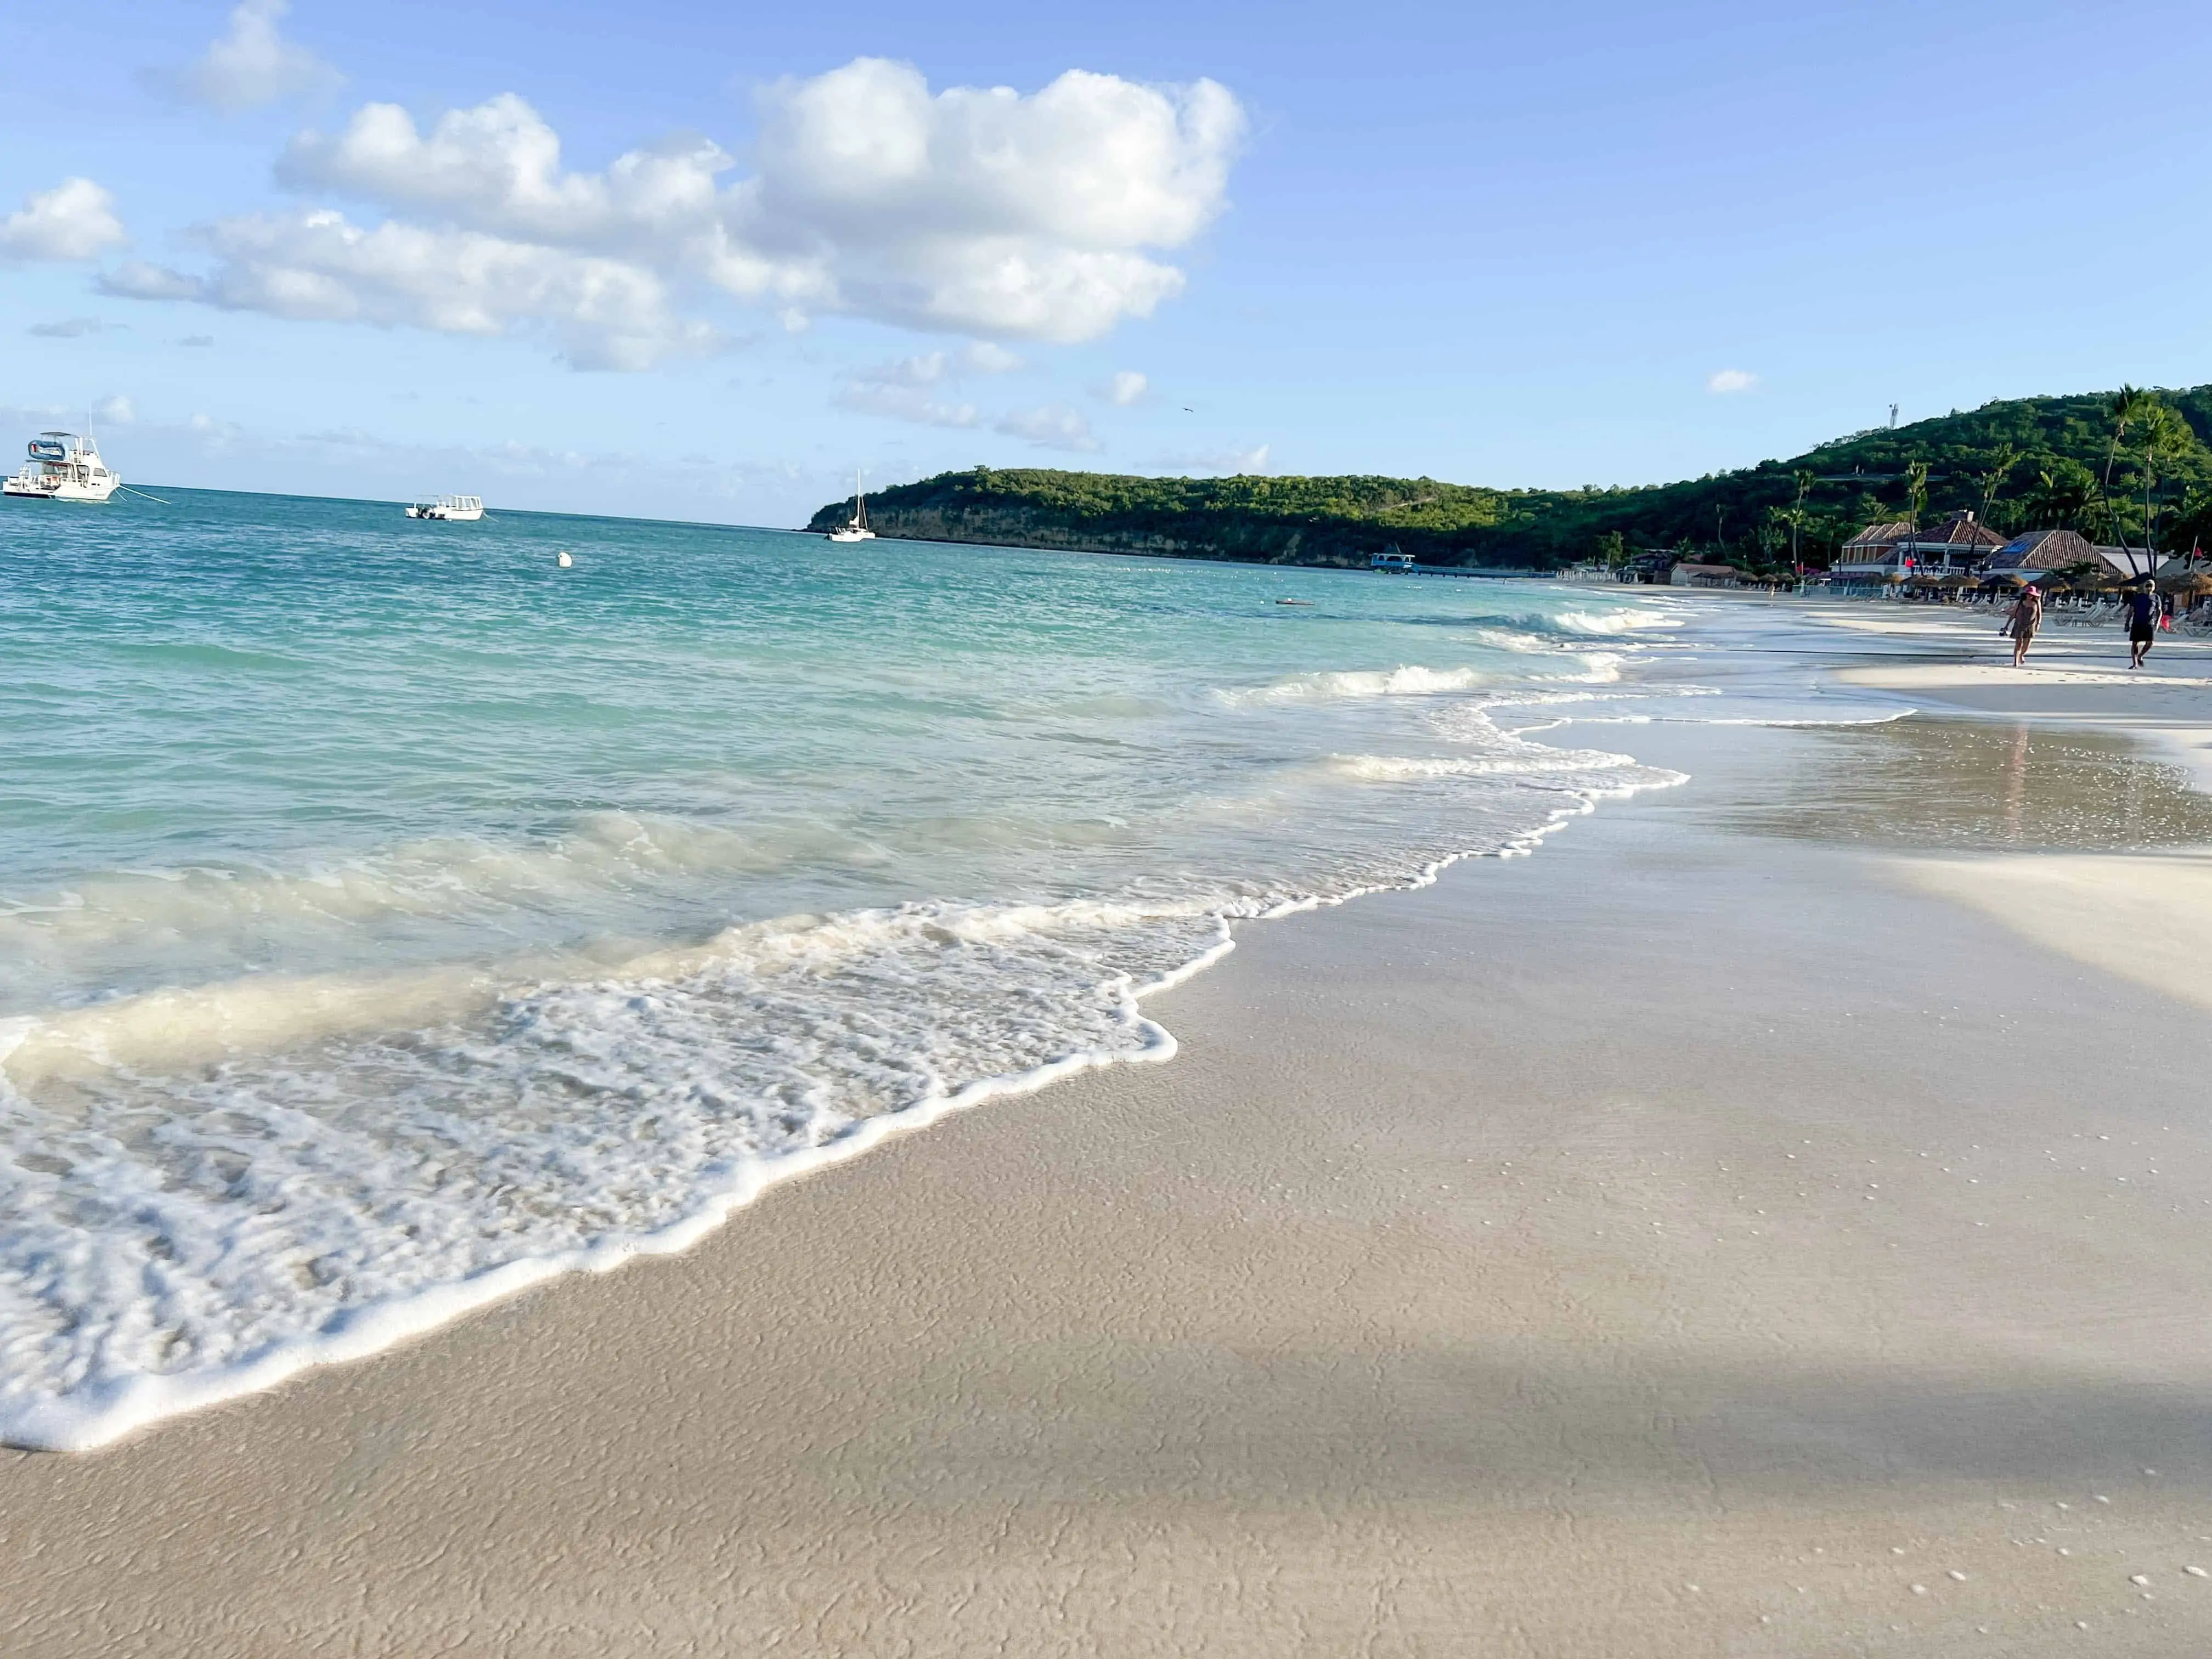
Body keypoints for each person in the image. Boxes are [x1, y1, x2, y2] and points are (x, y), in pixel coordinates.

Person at [2004, 584, 2042, 667]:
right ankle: (2016, 662)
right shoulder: (2021, 602)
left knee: (2026, 645)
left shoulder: (2037, 602)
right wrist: (2007, 625)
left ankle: (2021, 655)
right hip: (2019, 624)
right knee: (2018, 644)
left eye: (2031, 594)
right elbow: (2014, 614)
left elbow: (2039, 614)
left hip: (2030, 626)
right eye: (2028, 594)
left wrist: (2038, 624)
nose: (2029, 596)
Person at [2125, 583, 2158, 668]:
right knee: (2135, 643)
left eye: (2151, 586)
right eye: (2147, 586)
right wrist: (2127, 623)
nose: (2149, 588)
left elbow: (2160, 611)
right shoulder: (2137, 597)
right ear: (2144, 587)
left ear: (2154, 588)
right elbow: (2131, 611)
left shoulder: (2156, 598)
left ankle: (2140, 656)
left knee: (2150, 643)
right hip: (2137, 622)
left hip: (2149, 623)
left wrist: (2158, 622)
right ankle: (2135, 663)